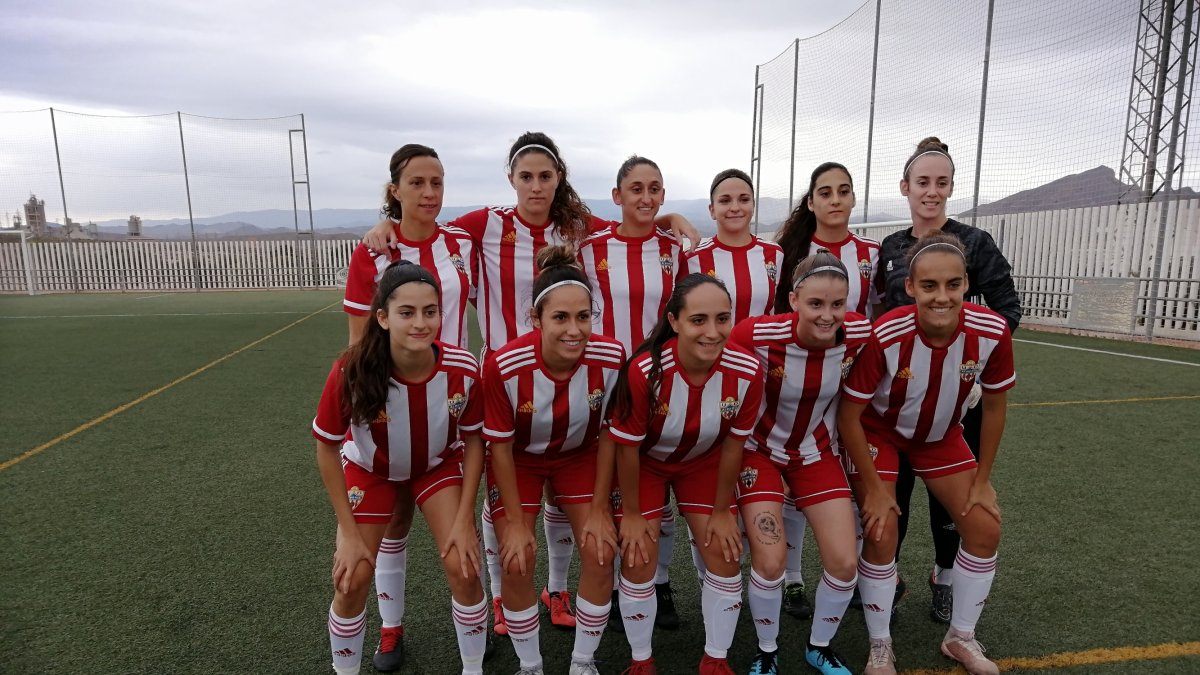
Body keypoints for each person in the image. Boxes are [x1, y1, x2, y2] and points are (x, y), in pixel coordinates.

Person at [362, 134, 699, 635]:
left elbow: (635, 222)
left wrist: (672, 219)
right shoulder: (486, 224)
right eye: (526, 176)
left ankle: (556, 589)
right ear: (512, 180)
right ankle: (501, 597)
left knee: (559, 493)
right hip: (501, 380)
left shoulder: (577, 228)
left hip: (568, 374)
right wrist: (385, 222)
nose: (536, 186)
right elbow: (425, 226)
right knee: (501, 494)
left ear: (558, 179)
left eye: (546, 176)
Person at [839, 232, 1015, 675]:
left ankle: (960, 637)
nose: (942, 296)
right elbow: (849, 415)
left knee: (985, 528)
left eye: (953, 285)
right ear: (912, 287)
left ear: (966, 284)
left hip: (939, 437)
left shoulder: (991, 331)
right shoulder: (888, 333)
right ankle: (880, 645)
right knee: (881, 531)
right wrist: (876, 489)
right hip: (880, 432)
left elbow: (994, 406)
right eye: (930, 286)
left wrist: (983, 477)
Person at [312, 261, 488, 675]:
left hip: (436, 466)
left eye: (430, 311)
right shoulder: (351, 369)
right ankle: (375, 643)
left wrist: (464, 518)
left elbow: (477, 439)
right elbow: (326, 448)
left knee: (464, 566)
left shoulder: (462, 368)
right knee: (352, 577)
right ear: (383, 318)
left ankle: (474, 669)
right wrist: (349, 534)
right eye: (406, 312)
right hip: (371, 470)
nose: (421, 322)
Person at [341, 145, 478, 670]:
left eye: (438, 182)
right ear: (394, 190)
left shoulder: (461, 241)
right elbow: (357, 343)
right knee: (394, 521)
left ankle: (471, 635)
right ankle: (391, 629)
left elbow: (536, 215)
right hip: (387, 411)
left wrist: (664, 215)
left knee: (457, 546)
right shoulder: (373, 252)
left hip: (448, 407)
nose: (429, 193)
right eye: (417, 183)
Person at [875, 137, 1020, 625]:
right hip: (896, 400)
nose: (931, 192)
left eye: (941, 183)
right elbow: (882, 316)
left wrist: (974, 366)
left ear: (951, 188)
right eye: (922, 183)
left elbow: (1006, 309)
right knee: (894, 494)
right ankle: (888, 579)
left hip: (956, 397)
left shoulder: (975, 243)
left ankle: (945, 576)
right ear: (906, 188)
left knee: (950, 501)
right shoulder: (892, 248)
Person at [608, 274, 766, 675]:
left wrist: (721, 510)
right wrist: (630, 513)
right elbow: (627, 449)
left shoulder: (747, 370)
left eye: (722, 319)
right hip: (645, 464)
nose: (713, 332)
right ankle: (641, 661)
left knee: (725, 554)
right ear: (674, 321)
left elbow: (733, 445)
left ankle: (715, 659)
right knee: (639, 556)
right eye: (699, 320)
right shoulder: (646, 370)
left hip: (703, 463)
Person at [481, 245, 626, 675]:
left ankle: (583, 662)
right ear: (536, 319)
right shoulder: (504, 366)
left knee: (602, 552)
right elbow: (500, 449)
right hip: (520, 461)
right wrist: (515, 526)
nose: (574, 329)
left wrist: (600, 509)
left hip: (580, 456)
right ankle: (531, 665)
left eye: (583, 316)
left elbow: (609, 434)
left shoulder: (613, 357)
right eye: (560, 318)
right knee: (518, 557)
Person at [729, 250, 872, 675]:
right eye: (815, 304)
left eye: (837, 304)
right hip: (759, 453)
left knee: (846, 564)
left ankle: (819, 646)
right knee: (770, 561)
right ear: (793, 301)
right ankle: (767, 651)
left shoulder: (861, 333)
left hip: (815, 454)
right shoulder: (753, 335)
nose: (828, 315)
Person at [576, 155, 689, 629]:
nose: (646, 198)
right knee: (615, 485)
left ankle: (655, 581)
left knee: (654, 485)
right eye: (636, 189)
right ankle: (620, 585)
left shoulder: (676, 251)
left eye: (655, 189)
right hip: (605, 382)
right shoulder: (590, 248)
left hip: (660, 380)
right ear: (617, 196)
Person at [772, 162, 881, 621]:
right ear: (811, 201)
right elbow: (779, 315)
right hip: (801, 378)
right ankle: (793, 579)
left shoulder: (873, 252)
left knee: (850, 471)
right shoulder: (788, 252)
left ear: (854, 198)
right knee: (799, 472)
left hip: (851, 378)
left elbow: (876, 317)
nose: (835, 199)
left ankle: (853, 576)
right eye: (825, 192)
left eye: (844, 191)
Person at [683, 168, 784, 320]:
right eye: (725, 201)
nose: (735, 208)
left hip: (761, 344)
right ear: (712, 210)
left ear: (753, 206)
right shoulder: (692, 258)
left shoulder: (775, 253)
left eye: (744, 200)